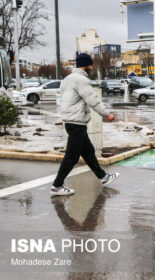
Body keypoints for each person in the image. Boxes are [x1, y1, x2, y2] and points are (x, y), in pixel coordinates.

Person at [50, 53, 120, 196]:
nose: (92, 67)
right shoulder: (81, 80)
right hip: (76, 122)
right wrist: (107, 114)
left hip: (71, 121)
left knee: (88, 152)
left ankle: (103, 177)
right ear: (87, 65)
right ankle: (57, 186)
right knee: (72, 157)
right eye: (91, 65)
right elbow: (92, 100)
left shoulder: (67, 79)